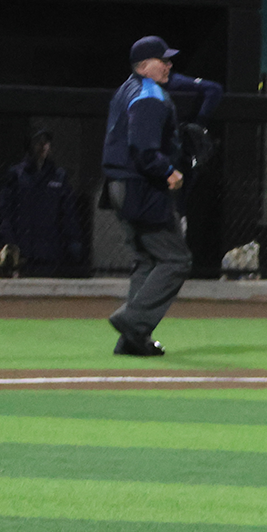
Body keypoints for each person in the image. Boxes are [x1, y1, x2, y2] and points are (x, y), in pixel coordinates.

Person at [102, 35, 191, 357]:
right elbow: (142, 148)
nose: (168, 65)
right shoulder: (150, 93)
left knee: (147, 260)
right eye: (162, 60)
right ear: (143, 65)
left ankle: (133, 340)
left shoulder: (127, 89)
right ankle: (132, 320)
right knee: (176, 259)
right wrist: (169, 170)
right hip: (141, 186)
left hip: (119, 185)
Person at [0, 131, 84, 277]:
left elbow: (68, 213)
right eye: (38, 141)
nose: (43, 146)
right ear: (30, 145)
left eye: (46, 142)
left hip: (49, 252)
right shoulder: (17, 174)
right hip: (23, 250)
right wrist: (10, 243)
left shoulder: (59, 176)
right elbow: (5, 211)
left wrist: (72, 243)